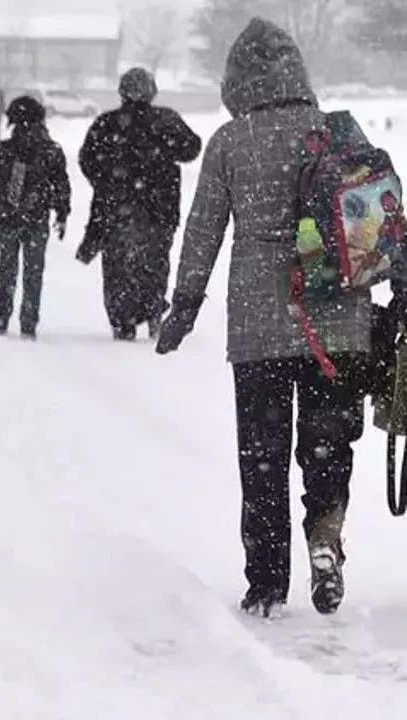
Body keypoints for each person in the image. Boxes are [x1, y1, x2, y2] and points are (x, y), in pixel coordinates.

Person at [156, 18, 390, 618]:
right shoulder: (336, 133)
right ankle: (325, 538)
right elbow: (378, 222)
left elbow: (203, 230)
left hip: (260, 324)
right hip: (337, 320)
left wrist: (184, 304)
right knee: (328, 445)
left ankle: (265, 585)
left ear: (237, 81)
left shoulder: (232, 142)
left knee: (261, 456)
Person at [77, 67, 202, 341]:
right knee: (154, 263)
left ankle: (123, 319)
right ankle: (153, 309)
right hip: (160, 209)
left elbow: (87, 159)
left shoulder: (107, 124)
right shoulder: (166, 120)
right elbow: (192, 148)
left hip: (116, 210)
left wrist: (107, 181)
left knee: (117, 267)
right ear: (151, 91)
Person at [0, 96, 71, 340]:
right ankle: (28, 320)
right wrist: (62, 213)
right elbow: (61, 185)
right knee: (33, 270)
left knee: (7, 267)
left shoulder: (4, 151)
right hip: (37, 218)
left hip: (8, 217)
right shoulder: (51, 151)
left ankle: (2, 314)